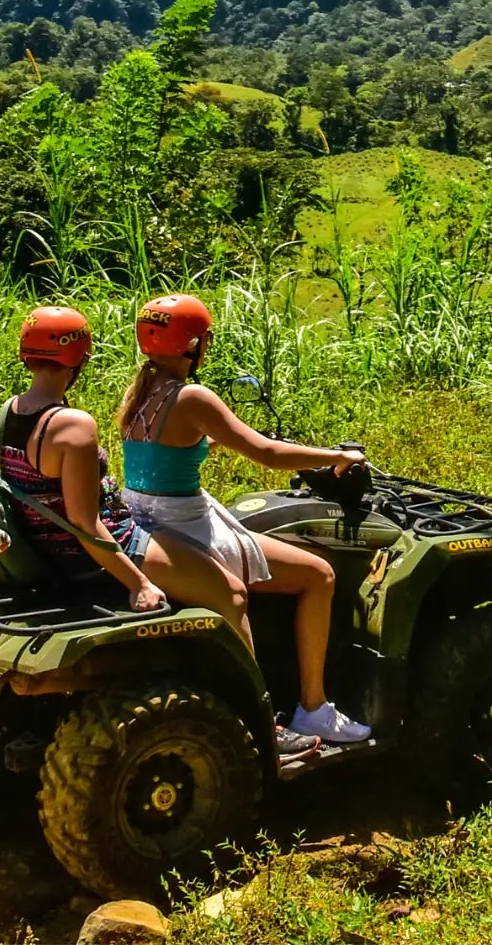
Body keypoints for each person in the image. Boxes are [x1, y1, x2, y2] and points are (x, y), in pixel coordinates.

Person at [116, 294, 372, 745]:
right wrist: (338, 454)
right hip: (184, 524)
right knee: (318, 575)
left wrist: (212, 442)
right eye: (205, 339)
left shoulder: (140, 392)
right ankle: (297, 712)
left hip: (144, 520)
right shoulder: (191, 396)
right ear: (190, 345)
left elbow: (164, 453)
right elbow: (268, 454)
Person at [0, 306, 240, 622]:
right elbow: (84, 522)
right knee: (232, 594)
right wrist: (139, 584)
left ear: (25, 354)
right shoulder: (73, 426)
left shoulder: (10, 409)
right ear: (79, 358)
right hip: (97, 550)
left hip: (42, 548)